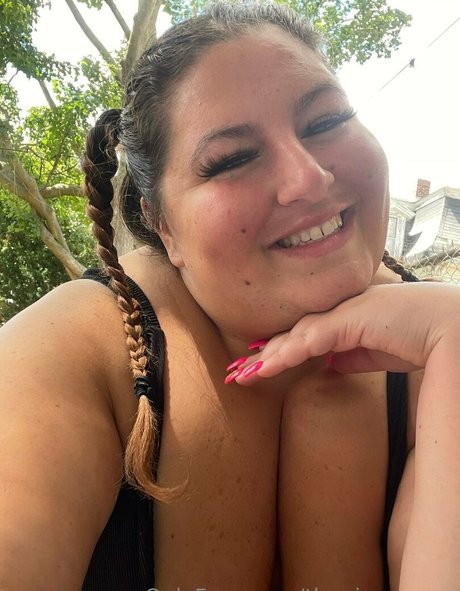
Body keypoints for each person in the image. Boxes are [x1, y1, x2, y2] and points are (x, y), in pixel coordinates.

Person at [1, 2, 460, 590]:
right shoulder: (73, 354)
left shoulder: (436, 351)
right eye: (232, 160)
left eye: (326, 121)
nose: (308, 178)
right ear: (163, 225)